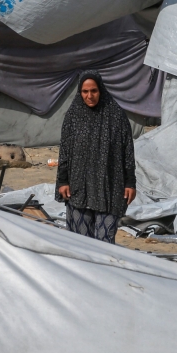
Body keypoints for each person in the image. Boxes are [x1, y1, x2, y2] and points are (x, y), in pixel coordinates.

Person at [56, 71, 136, 244]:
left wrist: (130, 183)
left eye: (94, 91)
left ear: (101, 90)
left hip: (110, 187)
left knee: (104, 242)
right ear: (80, 92)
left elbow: (127, 151)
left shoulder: (116, 116)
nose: (89, 96)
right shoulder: (73, 116)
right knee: (81, 242)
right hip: (79, 188)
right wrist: (63, 181)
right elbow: (65, 151)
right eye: (85, 92)